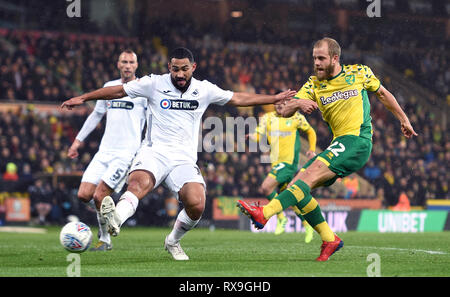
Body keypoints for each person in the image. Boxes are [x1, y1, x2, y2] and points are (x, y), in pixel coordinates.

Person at [61, 47, 296, 260]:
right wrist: (84, 97)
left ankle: (172, 241)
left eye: (184, 69)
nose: (180, 74)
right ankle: (115, 220)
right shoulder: (153, 84)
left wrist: (273, 98)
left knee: (196, 204)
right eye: (175, 69)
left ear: (193, 68)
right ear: (169, 68)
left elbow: (237, 98)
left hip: (183, 159)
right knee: (137, 184)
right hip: (154, 152)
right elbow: (117, 91)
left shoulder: (204, 89)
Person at [237, 37, 417, 261]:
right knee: (297, 187)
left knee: (307, 177)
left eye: (321, 58)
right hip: (339, 143)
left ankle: (264, 213)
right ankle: (329, 238)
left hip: (357, 140)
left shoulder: (359, 73)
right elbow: (283, 112)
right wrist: (297, 103)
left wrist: (404, 119)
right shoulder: (313, 84)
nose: (316, 63)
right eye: (314, 58)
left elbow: (383, 94)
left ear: (334, 58)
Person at [67, 50, 148, 251]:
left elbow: (152, 122)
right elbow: (96, 115)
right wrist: (77, 141)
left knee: (99, 196)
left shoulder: (143, 91)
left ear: (136, 66)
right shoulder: (108, 88)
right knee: (84, 194)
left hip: (126, 154)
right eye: (124, 62)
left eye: (131, 62)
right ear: (118, 64)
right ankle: (107, 215)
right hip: (104, 152)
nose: (128, 65)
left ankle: (105, 239)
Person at [249, 101, 316, 241]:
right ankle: (307, 225)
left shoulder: (296, 117)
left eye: (283, 103)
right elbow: (258, 133)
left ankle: (281, 218)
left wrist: (312, 149)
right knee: (290, 198)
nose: (280, 105)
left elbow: (310, 131)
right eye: (277, 103)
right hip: (276, 163)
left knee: (266, 187)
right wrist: (251, 137)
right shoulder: (267, 117)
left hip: (288, 163)